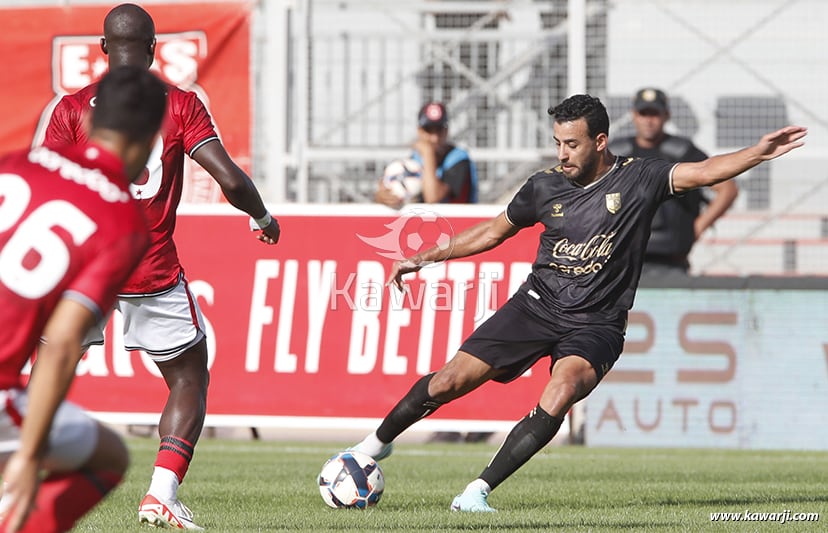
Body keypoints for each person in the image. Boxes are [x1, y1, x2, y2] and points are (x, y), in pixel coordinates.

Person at [350, 94, 806, 512]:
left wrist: (758, 153)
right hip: (535, 307)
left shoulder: (640, 178)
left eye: (571, 143)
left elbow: (705, 171)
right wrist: (425, 257)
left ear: (600, 141)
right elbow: (491, 233)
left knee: (563, 389)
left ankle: (476, 491)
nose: (562, 153)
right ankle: (370, 447)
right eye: (557, 143)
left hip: (598, 324)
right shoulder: (543, 187)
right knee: (449, 381)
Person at [41, 4, 281, 530]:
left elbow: (47, 190)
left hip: (83, 268)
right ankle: (160, 493)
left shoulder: (71, 109)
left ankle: (19, 475)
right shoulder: (180, 105)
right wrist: (261, 215)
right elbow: (232, 181)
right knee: (189, 377)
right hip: (148, 267)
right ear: (153, 48)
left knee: (47, 375)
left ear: (103, 48)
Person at [0, 66, 166, 533]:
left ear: (90, 122)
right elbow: (65, 340)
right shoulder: (122, 218)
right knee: (109, 457)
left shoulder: (17, 163)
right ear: (153, 134)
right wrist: (30, 459)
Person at [608, 87, 738, 274]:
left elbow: (727, 189)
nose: (649, 120)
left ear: (666, 116)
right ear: (634, 115)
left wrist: (698, 227)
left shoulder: (682, 151)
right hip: (622, 262)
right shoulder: (617, 153)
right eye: (643, 113)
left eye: (655, 114)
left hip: (671, 261)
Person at [374, 101, 478, 208]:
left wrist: (428, 153)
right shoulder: (412, 162)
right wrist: (383, 197)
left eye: (439, 130)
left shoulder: (459, 159)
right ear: (419, 131)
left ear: (446, 131)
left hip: (459, 222)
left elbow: (432, 198)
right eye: (428, 130)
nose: (434, 138)